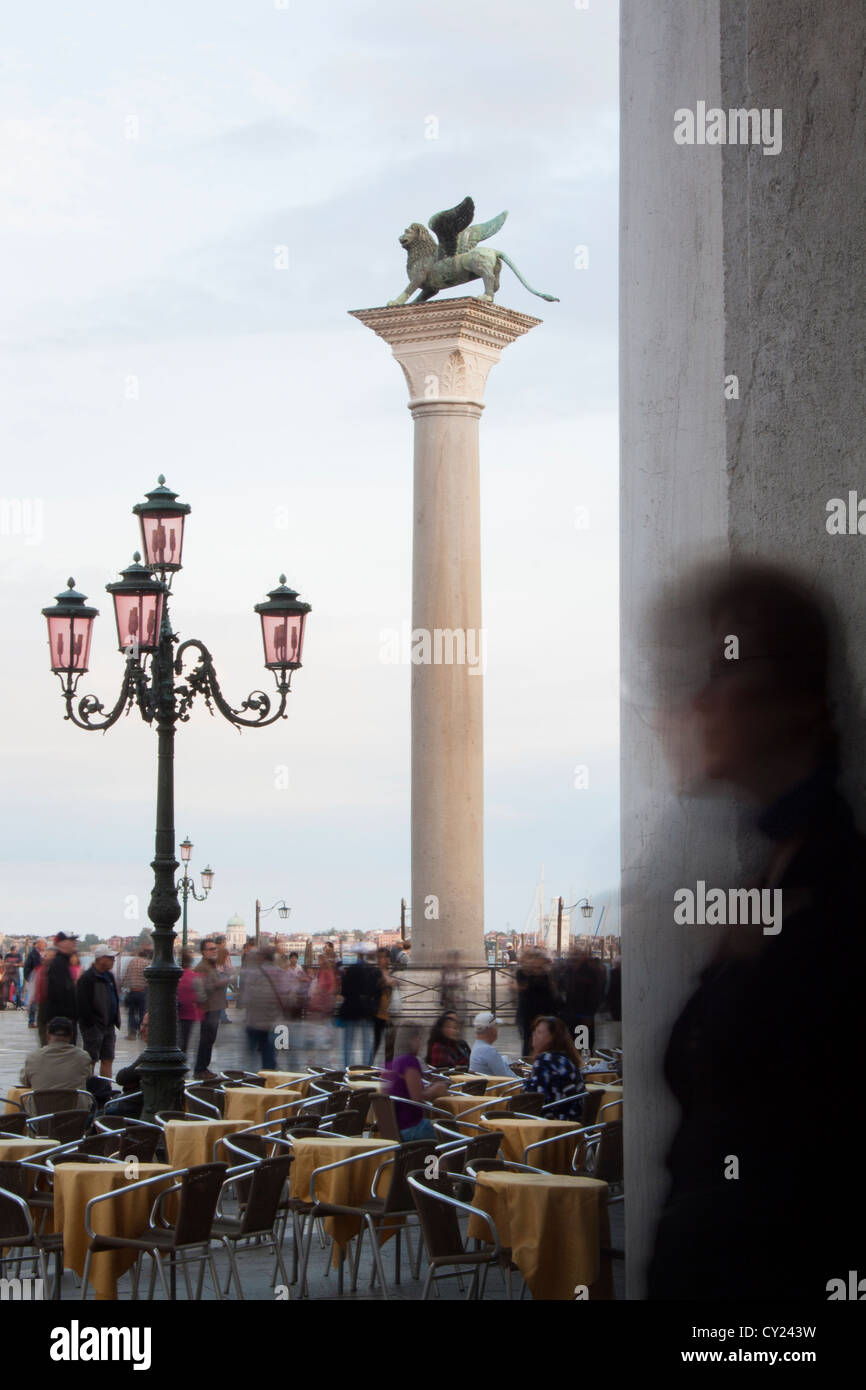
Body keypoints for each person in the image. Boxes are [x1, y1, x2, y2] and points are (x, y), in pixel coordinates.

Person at [646, 562, 866, 1299]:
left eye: (721, 670)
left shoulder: (836, 895)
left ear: (797, 702)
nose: (693, 704)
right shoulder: (772, 877)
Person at [383, 1023, 448, 1140]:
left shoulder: (391, 1063)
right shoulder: (409, 1061)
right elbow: (417, 1098)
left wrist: (428, 1088)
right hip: (411, 1127)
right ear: (412, 1040)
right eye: (419, 1039)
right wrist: (436, 1089)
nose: (421, 1044)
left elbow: (407, 1092)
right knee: (451, 1130)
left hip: (394, 1128)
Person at [19, 1015, 93, 1106]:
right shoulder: (83, 1057)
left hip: (40, 1117)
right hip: (76, 1116)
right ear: (71, 1035)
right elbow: (88, 1076)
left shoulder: (33, 1057)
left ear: (48, 1035)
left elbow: (24, 1081)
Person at [526, 1015, 586, 1120]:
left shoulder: (545, 1060)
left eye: (539, 1032)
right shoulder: (567, 1059)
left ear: (553, 1037)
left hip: (553, 1125)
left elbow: (536, 1101)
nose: (534, 1035)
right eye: (534, 1031)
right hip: (573, 1123)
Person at [241, 944, 290, 1071]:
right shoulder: (280, 973)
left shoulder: (254, 974)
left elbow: (246, 998)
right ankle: (269, 1079)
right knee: (269, 1055)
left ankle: (251, 1080)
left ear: (261, 958)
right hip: (273, 1023)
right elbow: (287, 996)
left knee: (251, 1056)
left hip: (254, 1022)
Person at [76, 950, 121, 1079]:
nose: (113, 960)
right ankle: (89, 1088)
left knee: (108, 1058)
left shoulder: (109, 977)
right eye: (110, 958)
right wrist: (91, 1024)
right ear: (100, 959)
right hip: (94, 1026)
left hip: (109, 1024)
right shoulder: (87, 978)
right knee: (91, 1059)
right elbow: (82, 1004)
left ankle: (105, 1089)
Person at [193, 938, 233, 1078]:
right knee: (206, 1039)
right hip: (209, 1008)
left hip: (214, 1006)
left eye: (215, 949)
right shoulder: (202, 967)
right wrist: (225, 981)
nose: (214, 951)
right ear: (203, 952)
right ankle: (200, 1069)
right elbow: (206, 987)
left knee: (209, 1039)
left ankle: (203, 1067)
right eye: (211, 949)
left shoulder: (210, 965)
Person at [336, 945, 381, 1066]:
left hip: (351, 1009)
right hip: (366, 1010)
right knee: (367, 1042)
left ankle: (347, 1067)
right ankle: (367, 1067)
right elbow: (374, 990)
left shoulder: (351, 970)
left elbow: (344, 990)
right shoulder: (373, 971)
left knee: (348, 1042)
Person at [514, 949, 556, 1056]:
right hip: (528, 1012)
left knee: (545, 1039)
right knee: (529, 1040)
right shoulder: (523, 973)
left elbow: (551, 990)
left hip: (544, 1011)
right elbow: (523, 987)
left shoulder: (545, 974)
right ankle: (528, 1061)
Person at [41, 933, 79, 1041]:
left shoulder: (66, 962)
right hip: (61, 1020)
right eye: (71, 941)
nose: (74, 944)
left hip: (68, 1017)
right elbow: (59, 992)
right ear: (62, 944)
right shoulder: (58, 964)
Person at [469, 1012, 517, 1077]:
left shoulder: (477, 1047)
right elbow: (508, 1077)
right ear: (491, 1030)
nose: (497, 1030)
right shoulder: (488, 1050)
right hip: (497, 1086)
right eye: (496, 1026)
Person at [120, 945, 151, 1039]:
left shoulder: (132, 962)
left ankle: (132, 1033)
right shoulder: (147, 963)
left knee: (131, 1013)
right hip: (142, 992)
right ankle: (142, 1033)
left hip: (132, 991)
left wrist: (124, 987)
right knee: (142, 1012)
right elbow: (148, 979)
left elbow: (125, 976)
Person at [176, 949, 203, 1055]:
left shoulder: (176, 975)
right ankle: (182, 1055)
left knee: (176, 1036)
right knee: (185, 1037)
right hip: (189, 1012)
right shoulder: (194, 976)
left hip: (176, 1011)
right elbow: (201, 996)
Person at [373, 948, 397, 1063]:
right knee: (375, 1043)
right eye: (379, 957)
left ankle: (389, 1069)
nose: (382, 960)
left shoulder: (394, 972)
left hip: (391, 1013)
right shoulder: (374, 972)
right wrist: (384, 983)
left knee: (390, 1045)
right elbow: (371, 989)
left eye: (384, 957)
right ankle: (369, 1067)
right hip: (377, 1012)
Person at [23, 939, 45, 1027]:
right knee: (34, 1000)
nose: (44, 945)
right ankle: (31, 1021)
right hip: (34, 979)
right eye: (42, 944)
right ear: (37, 944)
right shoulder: (33, 954)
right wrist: (30, 979)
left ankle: (35, 1020)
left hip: (38, 979)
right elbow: (30, 967)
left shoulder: (40, 954)